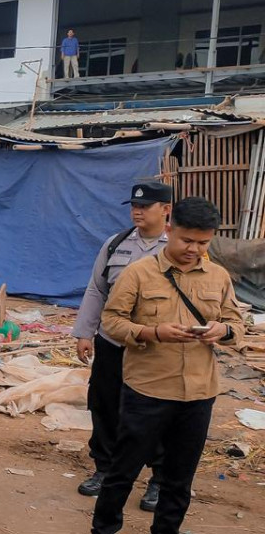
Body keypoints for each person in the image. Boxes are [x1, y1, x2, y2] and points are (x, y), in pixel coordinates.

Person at [88, 197, 244, 534]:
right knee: (123, 471)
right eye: (187, 240)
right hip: (148, 389)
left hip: (198, 394)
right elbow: (112, 321)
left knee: (179, 479)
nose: (194, 249)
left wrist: (222, 330)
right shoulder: (139, 274)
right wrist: (152, 332)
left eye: (203, 243)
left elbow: (236, 324)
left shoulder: (218, 277)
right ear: (170, 229)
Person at [73, 182, 172, 508]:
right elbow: (96, 289)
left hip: (155, 348)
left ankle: (159, 479)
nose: (137, 211)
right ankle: (105, 469)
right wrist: (84, 332)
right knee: (104, 405)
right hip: (112, 342)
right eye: (134, 206)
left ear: (166, 209)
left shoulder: (176, 247)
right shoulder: (116, 244)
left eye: (145, 206)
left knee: (155, 412)